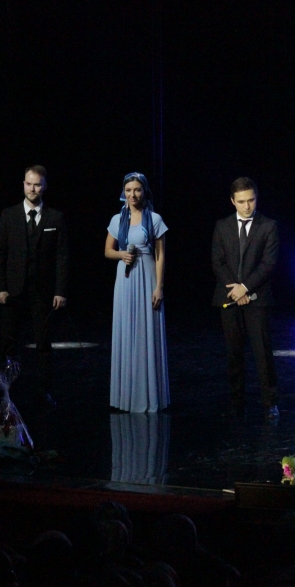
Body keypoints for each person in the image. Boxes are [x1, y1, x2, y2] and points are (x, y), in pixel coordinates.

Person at [0, 165, 69, 407]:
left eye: (37, 184)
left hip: (42, 291)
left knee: (43, 342)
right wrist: (1, 288)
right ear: (23, 184)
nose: (32, 189)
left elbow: (61, 257)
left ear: (44, 187)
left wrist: (60, 291)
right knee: (8, 342)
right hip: (13, 290)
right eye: (29, 184)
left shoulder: (55, 217)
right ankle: (6, 392)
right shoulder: (9, 215)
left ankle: (44, 390)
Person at [211, 177, 279, 418]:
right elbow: (218, 261)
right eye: (241, 201)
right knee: (234, 353)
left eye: (251, 200)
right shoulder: (222, 226)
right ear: (233, 201)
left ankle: (270, 402)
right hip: (229, 297)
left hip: (257, 298)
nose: (247, 206)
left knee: (262, 352)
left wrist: (246, 288)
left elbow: (268, 263)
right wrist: (236, 290)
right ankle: (237, 402)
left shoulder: (268, 226)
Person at [104, 172, 169, 413]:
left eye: (137, 190)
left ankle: (149, 396)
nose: (133, 194)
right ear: (124, 192)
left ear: (144, 191)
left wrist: (159, 287)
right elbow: (107, 250)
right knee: (126, 329)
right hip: (125, 278)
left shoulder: (154, 219)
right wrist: (121, 254)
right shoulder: (117, 219)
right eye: (129, 190)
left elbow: (160, 256)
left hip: (147, 275)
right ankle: (126, 397)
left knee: (146, 330)